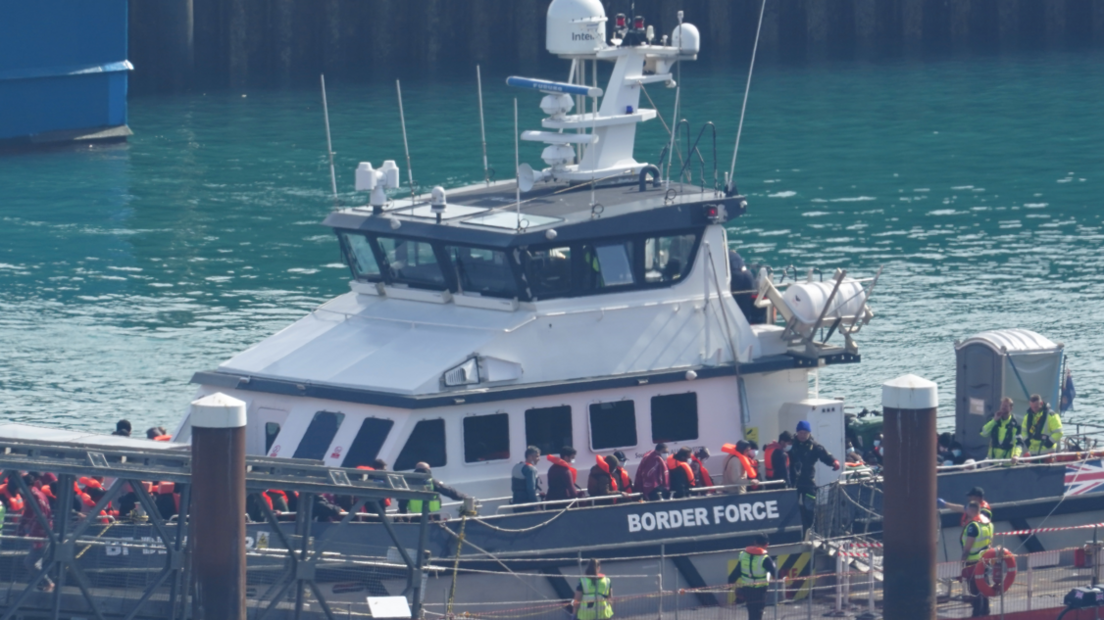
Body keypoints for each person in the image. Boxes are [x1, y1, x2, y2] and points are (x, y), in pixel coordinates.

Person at [789, 420, 840, 534]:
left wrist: (834, 461)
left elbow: (825, 456)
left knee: (810, 509)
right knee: (792, 509)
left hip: (808, 483)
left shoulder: (815, 446)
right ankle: (795, 533)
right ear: (797, 433)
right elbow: (780, 447)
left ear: (809, 433)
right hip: (793, 484)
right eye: (800, 432)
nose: (802, 435)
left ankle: (812, 532)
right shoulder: (790, 444)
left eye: (805, 432)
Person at [18, 473, 55, 592]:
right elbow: (28, 515)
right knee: (35, 563)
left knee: (30, 562)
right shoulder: (38, 494)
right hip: (42, 532)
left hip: (41, 534)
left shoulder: (35, 496)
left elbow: (40, 517)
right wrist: (22, 530)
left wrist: (30, 533)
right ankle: (42, 587)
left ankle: (48, 584)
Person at [728, 534, 777, 620]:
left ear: (755, 542)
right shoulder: (765, 558)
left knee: (751, 614)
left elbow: (735, 573)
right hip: (760, 592)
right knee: (757, 615)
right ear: (766, 545)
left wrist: (729, 584)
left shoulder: (743, 555)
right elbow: (776, 574)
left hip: (747, 591)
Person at [960, 501, 993, 617]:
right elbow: (990, 542)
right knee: (984, 586)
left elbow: (967, 547)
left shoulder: (973, 526)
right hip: (985, 560)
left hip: (973, 561)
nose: (965, 511)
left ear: (971, 510)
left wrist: (962, 562)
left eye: (967, 509)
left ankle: (976, 613)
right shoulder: (988, 523)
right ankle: (986, 611)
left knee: (975, 589)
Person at [401, 462, 467, 515]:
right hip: (432, 516)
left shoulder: (408, 483)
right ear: (428, 470)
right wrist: (464, 497)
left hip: (415, 516)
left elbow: (402, 501)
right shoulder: (432, 482)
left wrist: (403, 515)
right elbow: (449, 491)